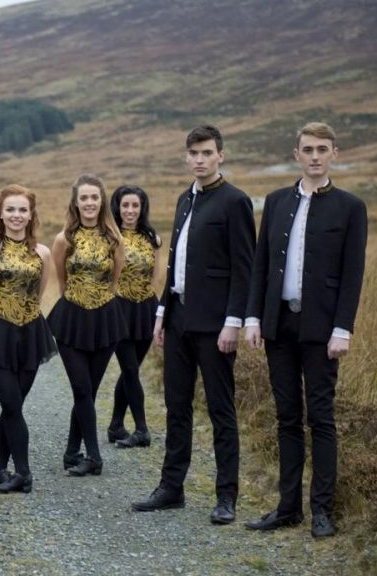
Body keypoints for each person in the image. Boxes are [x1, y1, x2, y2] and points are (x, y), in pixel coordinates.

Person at [244, 123, 367, 538]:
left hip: (322, 328)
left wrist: (343, 329)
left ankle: (322, 511)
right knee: (286, 417)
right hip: (279, 325)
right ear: (296, 154)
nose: (315, 156)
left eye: (322, 149)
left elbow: (352, 275)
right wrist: (253, 318)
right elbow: (261, 265)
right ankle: (288, 508)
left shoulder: (350, 207)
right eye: (308, 149)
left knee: (321, 418)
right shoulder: (277, 201)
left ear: (334, 153)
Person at [132, 125, 255, 526]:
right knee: (176, 406)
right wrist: (163, 312)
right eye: (194, 154)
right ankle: (172, 488)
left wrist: (233, 322)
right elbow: (176, 265)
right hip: (179, 319)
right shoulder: (185, 199)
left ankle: (226, 496)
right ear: (186, 157)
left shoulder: (235, 201)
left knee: (220, 409)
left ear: (220, 155)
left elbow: (244, 268)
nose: (199, 160)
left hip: (216, 325)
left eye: (206, 153)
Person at [0, 184, 56, 493]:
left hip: (31, 334)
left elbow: (39, 292)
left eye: (23, 210)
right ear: (0, 213)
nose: (16, 215)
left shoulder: (43, 253)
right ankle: (23, 473)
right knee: (10, 404)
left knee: (13, 406)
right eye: (10, 209)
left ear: (31, 214)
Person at [48, 174, 125, 477]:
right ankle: (94, 456)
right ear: (76, 202)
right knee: (81, 388)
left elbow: (114, 280)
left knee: (88, 392)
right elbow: (62, 280)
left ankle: (71, 451)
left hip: (105, 320)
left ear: (102, 201)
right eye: (84, 198)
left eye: (95, 197)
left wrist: (99, 300)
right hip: (72, 319)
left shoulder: (114, 239)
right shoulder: (63, 239)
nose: (90, 203)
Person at [106, 185, 165, 449]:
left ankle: (115, 425)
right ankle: (142, 429)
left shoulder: (153, 238)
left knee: (131, 370)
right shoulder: (108, 237)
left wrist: (157, 311)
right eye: (125, 205)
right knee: (130, 368)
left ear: (142, 209)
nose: (130, 210)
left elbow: (155, 278)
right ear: (117, 208)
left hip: (145, 309)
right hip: (119, 309)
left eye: (135, 206)